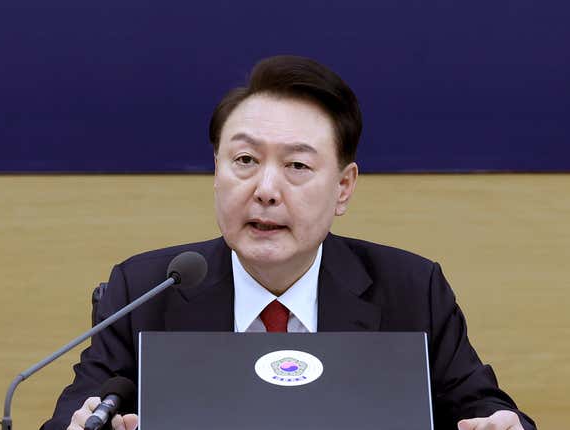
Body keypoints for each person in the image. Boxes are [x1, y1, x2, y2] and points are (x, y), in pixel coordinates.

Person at [43, 55, 536, 430]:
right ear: (216, 171)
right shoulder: (147, 290)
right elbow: (79, 409)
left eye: (297, 166)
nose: (265, 190)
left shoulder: (411, 290)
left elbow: (486, 410)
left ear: (343, 188)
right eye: (244, 161)